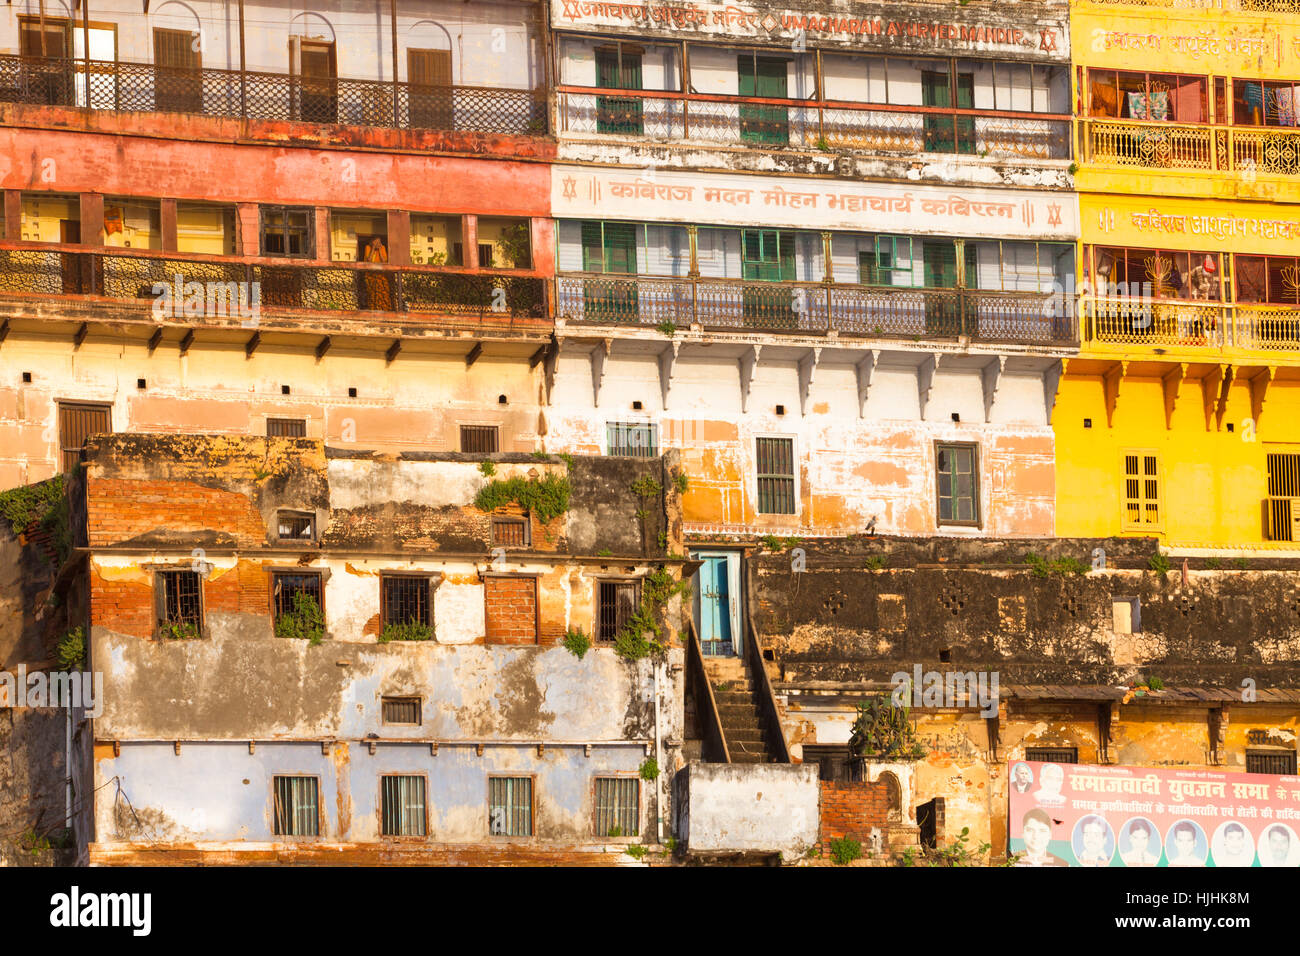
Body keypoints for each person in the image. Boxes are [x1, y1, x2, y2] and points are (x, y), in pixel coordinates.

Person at [362, 237, 392, 311]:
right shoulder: (368, 248)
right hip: (371, 276)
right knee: (372, 294)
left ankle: (384, 309)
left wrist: (379, 251)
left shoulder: (382, 248)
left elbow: (384, 261)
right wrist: (373, 249)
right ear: (372, 242)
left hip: (381, 275)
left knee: (383, 292)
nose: (377, 244)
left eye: (379, 242)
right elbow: (368, 260)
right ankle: (373, 309)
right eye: (376, 242)